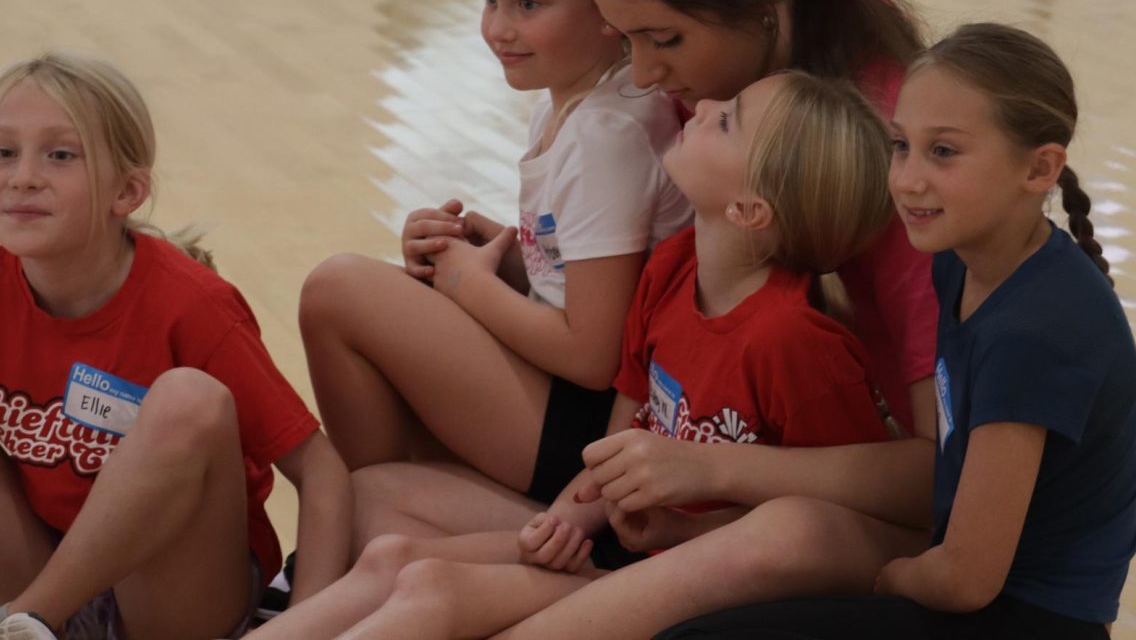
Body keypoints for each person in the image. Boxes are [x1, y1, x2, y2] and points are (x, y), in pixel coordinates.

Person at [249, 68, 904, 639]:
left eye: (726, 122)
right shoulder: (672, 269)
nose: (702, 107)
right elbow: (621, 441)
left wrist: (674, 535)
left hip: (678, 586)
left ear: (749, 208)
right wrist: (567, 520)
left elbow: (830, 524)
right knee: (389, 558)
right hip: (619, 544)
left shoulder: (797, 343)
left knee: (430, 590)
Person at [659, 23, 1136, 640]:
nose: (907, 179)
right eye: (901, 144)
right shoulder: (959, 260)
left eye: (943, 151)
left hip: (1024, 620)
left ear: (1039, 168)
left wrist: (884, 578)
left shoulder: (1034, 333)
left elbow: (966, 579)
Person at [296, 0, 691, 510]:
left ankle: (392, 507)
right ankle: (395, 505)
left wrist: (469, 285)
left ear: (606, 10)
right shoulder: (574, 103)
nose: (497, 28)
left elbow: (595, 354)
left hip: (592, 427)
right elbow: (587, 283)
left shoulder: (606, 135)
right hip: (566, 396)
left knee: (336, 290)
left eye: (527, 5)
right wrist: (501, 256)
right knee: (360, 296)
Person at [0, 53, 347, 640]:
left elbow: (323, 471)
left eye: (60, 154)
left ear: (126, 192)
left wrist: (309, 626)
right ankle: (29, 624)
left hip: (177, 605)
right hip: (41, 570)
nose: (23, 175)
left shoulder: (191, 304)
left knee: (187, 400)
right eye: (4, 152)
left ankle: (21, 623)